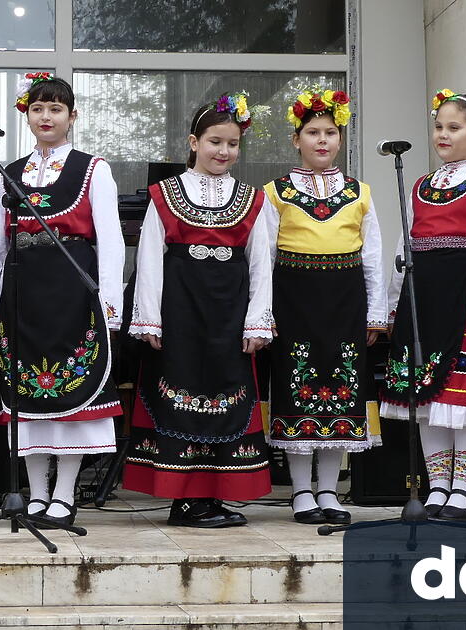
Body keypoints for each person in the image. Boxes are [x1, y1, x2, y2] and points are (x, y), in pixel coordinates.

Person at [125, 93, 277, 528]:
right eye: (214, 141)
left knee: (227, 399)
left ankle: (212, 495)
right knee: (177, 397)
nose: (223, 151)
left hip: (229, 314)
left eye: (232, 144)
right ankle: (183, 499)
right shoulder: (164, 195)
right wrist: (148, 316)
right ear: (194, 142)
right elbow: (150, 259)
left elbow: (262, 264)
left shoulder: (252, 199)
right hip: (180, 313)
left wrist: (258, 319)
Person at [0, 73, 125, 529]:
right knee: (27, 393)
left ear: (72, 116)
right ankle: (36, 493)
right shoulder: (9, 173)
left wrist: (109, 304)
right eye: (38, 109)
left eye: (55, 109)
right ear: (26, 116)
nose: (46, 117)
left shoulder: (93, 168)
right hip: (23, 293)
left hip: (72, 290)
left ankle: (65, 494)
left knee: (74, 393)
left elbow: (110, 240)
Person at [380, 89, 466, 522]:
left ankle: (464, 489)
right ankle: (437, 488)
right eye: (439, 127)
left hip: (465, 295)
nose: (443, 135)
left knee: (464, 393)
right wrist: (394, 305)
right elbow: (404, 247)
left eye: (455, 127)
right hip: (423, 295)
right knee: (427, 396)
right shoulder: (419, 185)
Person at [262, 88, 384, 526]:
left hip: (345, 302)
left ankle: (330, 490)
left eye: (330, 132)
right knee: (297, 389)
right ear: (296, 139)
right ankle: (300, 492)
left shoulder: (359, 192)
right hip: (293, 301)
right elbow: (262, 259)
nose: (322, 140)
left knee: (341, 392)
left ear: (340, 137)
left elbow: (372, 256)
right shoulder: (273, 193)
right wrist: (262, 312)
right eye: (312, 132)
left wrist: (375, 313)